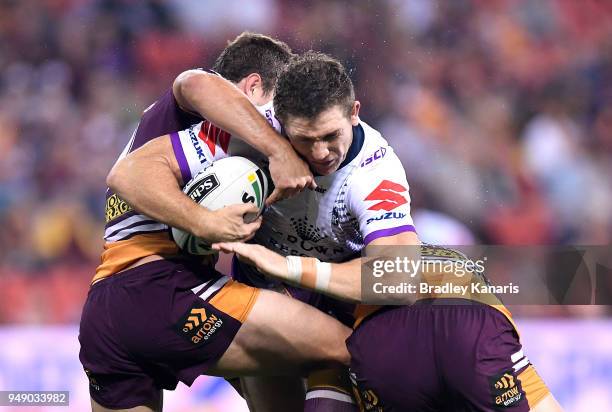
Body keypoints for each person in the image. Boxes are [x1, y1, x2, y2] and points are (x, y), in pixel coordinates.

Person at [212, 51, 562, 412]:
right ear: (280, 122)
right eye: (304, 139)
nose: (319, 153)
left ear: (355, 112)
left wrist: (290, 268)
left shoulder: (375, 172)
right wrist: (270, 153)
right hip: (328, 309)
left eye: (331, 136)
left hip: (366, 316)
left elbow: (397, 279)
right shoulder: (250, 128)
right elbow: (190, 87)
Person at [78, 33, 352, 412]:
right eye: (279, 105)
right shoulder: (204, 117)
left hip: (108, 310)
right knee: (346, 349)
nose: (285, 123)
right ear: (252, 86)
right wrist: (272, 153)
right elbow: (193, 83)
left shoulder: (172, 136)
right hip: (162, 288)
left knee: (278, 376)